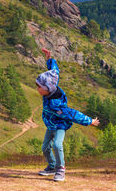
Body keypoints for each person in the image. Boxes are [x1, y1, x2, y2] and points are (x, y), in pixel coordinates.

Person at [36, 48, 100, 182]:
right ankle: (52, 166)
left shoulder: (57, 105)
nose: (37, 89)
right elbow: (55, 71)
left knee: (57, 145)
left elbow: (73, 114)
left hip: (60, 125)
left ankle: (61, 170)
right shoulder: (51, 83)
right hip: (51, 124)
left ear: (47, 89)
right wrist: (49, 59)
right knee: (45, 148)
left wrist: (89, 121)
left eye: (39, 87)